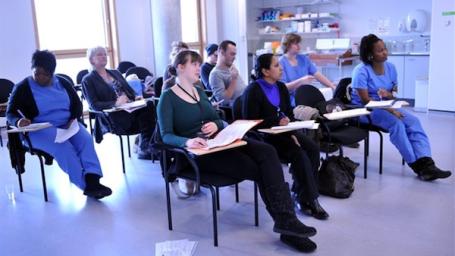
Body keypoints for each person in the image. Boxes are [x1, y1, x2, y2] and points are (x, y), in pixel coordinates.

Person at [157, 50, 318, 252]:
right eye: (194, 64)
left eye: (199, 64)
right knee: (258, 168)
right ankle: (287, 225)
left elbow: (216, 117)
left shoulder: (198, 90)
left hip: (221, 140)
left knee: (267, 151)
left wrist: (216, 125)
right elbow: (165, 135)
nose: (199, 68)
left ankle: (287, 223)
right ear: (180, 67)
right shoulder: (168, 98)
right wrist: (187, 141)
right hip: (200, 153)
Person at [6, 50, 111, 199]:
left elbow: (77, 105)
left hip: (67, 126)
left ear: (52, 73)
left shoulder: (63, 82)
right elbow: (10, 113)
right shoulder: (23, 87)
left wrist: (73, 118)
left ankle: (93, 179)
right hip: (40, 129)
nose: (40, 78)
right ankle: (86, 185)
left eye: (45, 74)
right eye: (37, 73)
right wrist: (19, 121)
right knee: (63, 147)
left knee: (86, 139)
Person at [351, 34, 451, 181]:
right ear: (370, 55)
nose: (385, 52)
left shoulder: (391, 68)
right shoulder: (360, 71)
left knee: (414, 121)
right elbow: (365, 101)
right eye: (380, 51)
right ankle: (416, 165)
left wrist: (389, 95)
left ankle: (427, 162)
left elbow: (395, 92)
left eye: (384, 49)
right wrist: (390, 109)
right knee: (396, 124)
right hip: (365, 110)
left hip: (385, 106)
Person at [243, 53, 329, 220]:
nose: (281, 68)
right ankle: (310, 199)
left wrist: (290, 129)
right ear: (265, 71)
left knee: (312, 148)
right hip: (264, 137)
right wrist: (276, 121)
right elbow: (249, 121)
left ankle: (300, 194)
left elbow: (288, 114)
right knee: (298, 154)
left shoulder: (281, 87)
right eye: (276, 65)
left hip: (284, 132)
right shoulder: (253, 90)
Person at [82, 46, 156, 160]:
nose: (103, 56)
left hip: (129, 108)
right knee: (147, 115)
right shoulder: (88, 79)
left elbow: (129, 90)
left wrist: (136, 97)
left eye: (104, 54)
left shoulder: (115, 72)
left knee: (151, 104)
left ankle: (146, 145)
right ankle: (145, 147)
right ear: (92, 60)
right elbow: (94, 105)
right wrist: (115, 103)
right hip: (113, 116)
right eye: (99, 54)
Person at [279, 33, 336, 106]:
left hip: (306, 97)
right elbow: (283, 87)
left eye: (299, 43)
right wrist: (301, 81)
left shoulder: (304, 59)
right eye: (296, 43)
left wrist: (332, 86)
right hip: (292, 102)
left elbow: (317, 74)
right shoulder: (281, 62)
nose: (299, 46)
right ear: (287, 45)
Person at [209, 40, 246, 106]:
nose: (234, 58)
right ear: (222, 53)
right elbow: (223, 101)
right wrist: (234, 79)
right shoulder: (215, 74)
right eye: (232, 54)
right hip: (237, 108)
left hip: (246, 101)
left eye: (235, 54)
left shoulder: (231, 68)